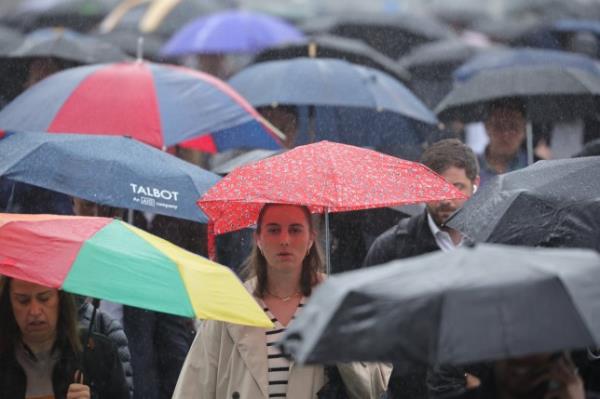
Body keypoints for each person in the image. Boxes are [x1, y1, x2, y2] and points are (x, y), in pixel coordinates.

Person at [173, 203, 391, 398]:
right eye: (274, 230)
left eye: (295, 230)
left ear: (311, 239)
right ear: (258, 239)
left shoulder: (340, 302)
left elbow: (376, 386)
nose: (285, 240)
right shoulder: (230, 307)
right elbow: (193, 388)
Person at [364, 138, 480, 399]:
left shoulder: (495, 242)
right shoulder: (392, 249)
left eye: (456, 188)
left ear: (476, 185)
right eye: (435, 189)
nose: (446, 200)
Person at [72, 198, 194, 399]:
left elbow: (173, 349)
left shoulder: (148, 257)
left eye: (104, 207)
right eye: (87, 205)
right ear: (73, 204)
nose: (96, 215)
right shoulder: (62, 258)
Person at [0, 276, 129, 398]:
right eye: (23, 301)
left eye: (44, 298)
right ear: (9, 302)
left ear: (60, 298)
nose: (34, 311)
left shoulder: (99, 354)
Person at [478, 99, 528, 186]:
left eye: (513, 127)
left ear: (524, 130)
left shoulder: (535, 166)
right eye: (499, 126)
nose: (506, 134)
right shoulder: (469, 169)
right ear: (487, 127)